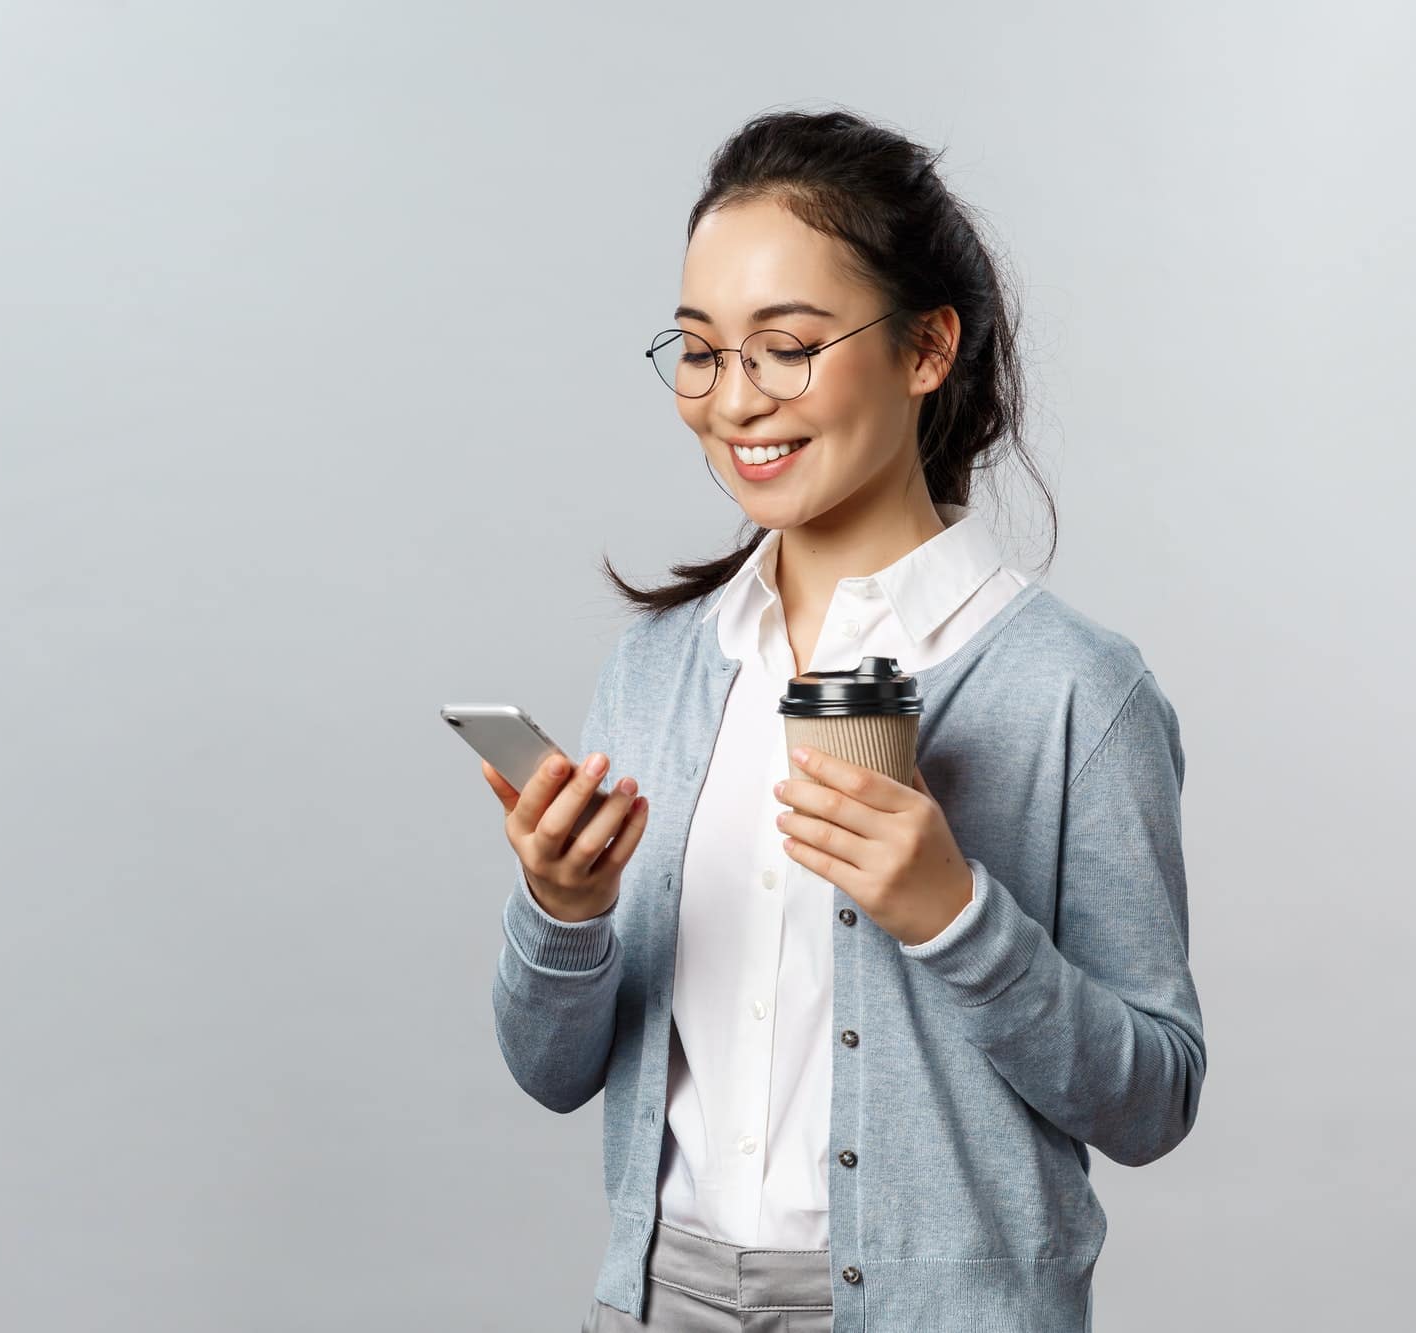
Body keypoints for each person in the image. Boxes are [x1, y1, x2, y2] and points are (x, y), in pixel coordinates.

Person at [482, 107, 1206, 1333]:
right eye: (702, 351)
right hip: (663, 1304)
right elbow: (550, 1072)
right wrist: (564, 911)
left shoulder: (1074, 688)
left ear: (926, 349)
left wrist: (955, 917)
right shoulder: (657, 670)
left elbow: (1151, 1101)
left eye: (787, 346)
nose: (734, 400)